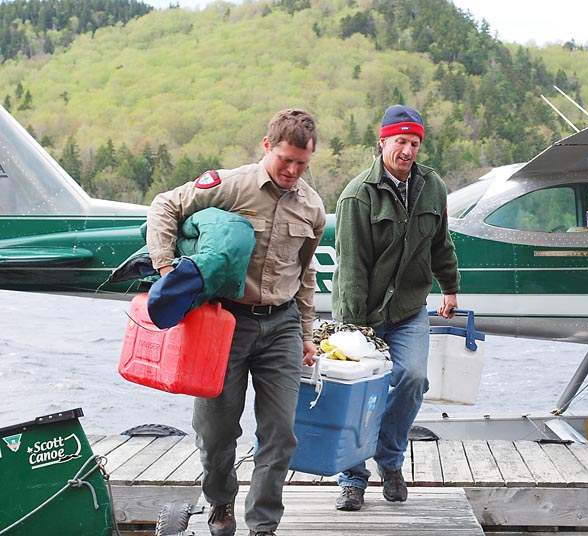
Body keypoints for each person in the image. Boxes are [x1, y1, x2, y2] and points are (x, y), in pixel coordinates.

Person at [146, 108, 326, 536]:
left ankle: (263, 525)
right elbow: (165, 205)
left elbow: (305, 274)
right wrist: (167, 269)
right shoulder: (231, 186)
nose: (293, 170)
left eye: (302, 163)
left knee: (280, 433)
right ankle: (220, 500)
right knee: (216, 431)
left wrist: (304, 334)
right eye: (286, 159)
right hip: (224, 324)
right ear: (267, 147)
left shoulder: (313, 207)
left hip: (281, 325)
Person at [331, 104, 460, 511]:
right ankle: (352, 478)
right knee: (358, 392)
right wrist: (353, 330)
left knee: (412, 378)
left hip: (407, 309)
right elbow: (351, 267)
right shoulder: (357, 196)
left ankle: (389, 461)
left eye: (414, 143)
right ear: (383, 142)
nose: (407, 150)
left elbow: (441, 243)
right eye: (400, 141)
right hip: (362, 313)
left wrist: (450, 287)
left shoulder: (432, 187)